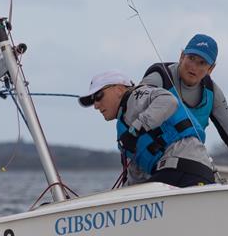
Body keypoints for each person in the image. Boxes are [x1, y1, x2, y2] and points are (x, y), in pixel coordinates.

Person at [139, 33, 228, 182]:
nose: (194, 67)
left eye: (202, 63)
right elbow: (131, 108)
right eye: (191, 58)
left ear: (211, 68)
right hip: (146, 163)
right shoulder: (159, 78)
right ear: (181, 56)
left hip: (184, 162)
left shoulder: (213, 93)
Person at [79, 70, 215, 188]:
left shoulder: (138, 95)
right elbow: (136, 179)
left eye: (98, 96)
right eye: (93, 100)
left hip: (183, 170)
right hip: (181, 175)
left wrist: (135, 130)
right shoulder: (124, 131)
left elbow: (169, 101)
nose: (96, 105)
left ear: (119, 89)